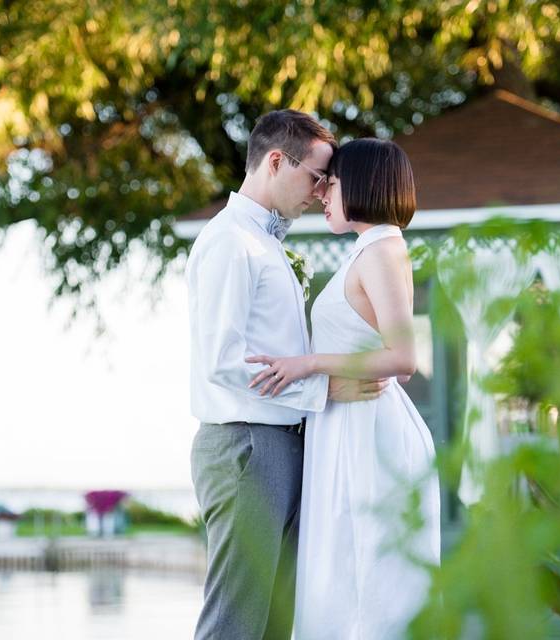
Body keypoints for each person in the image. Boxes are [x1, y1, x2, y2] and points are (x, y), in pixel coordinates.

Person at [186, 111, 388, 640]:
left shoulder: (267, 243)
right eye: (317, 177)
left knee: (277, 621)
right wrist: (324, 386)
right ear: (277, 161)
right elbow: (223, 362)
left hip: (281, 442)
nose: (322, 191)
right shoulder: (231, 242)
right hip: (247, 447)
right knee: (236, 619)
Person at [247, 138, 442, 639]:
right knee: (341, 577)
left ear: (360, 184)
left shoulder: (380, 249)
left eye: (329, 184)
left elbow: (403, 360)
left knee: (363, 581)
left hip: (367, 435)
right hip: (350, 428)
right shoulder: (372, 248)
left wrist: (308, 363)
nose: (321, 195)